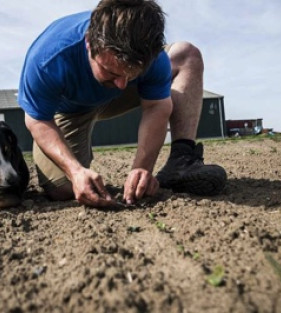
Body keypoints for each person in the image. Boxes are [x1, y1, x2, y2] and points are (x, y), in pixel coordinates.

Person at [19, 0, 226, 207]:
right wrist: (75, 171)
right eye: (111, 71)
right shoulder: (48, 58)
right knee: (63, 189)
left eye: (132, 74)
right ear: (90, 43)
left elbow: (156, 106)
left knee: (186, 55)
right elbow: (37, 121)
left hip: (120, 98)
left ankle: (181, 162)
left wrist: (142, 168)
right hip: (71, 110)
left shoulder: (152, 59)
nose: (121, 84)